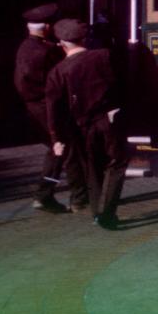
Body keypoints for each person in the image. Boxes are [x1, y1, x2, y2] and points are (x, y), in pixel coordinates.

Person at [45, 18, 127, 230]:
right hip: (108, 119)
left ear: (62, 44)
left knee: (92, 169)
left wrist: (56, 138)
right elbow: (122, 84)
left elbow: (54, 109)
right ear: (83, 38)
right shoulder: (104, 56)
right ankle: (107, 213)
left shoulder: (58, 71)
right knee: (116, 164)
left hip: (80, 127)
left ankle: (97, 213)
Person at [13, 3, 83, 213]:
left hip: (35, 106)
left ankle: (47, 194)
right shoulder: (45, 52)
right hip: (44, 106)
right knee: (64, 147)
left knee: (57, 150)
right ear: (46, 27)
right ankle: (74, 196)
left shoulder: (27, 47)